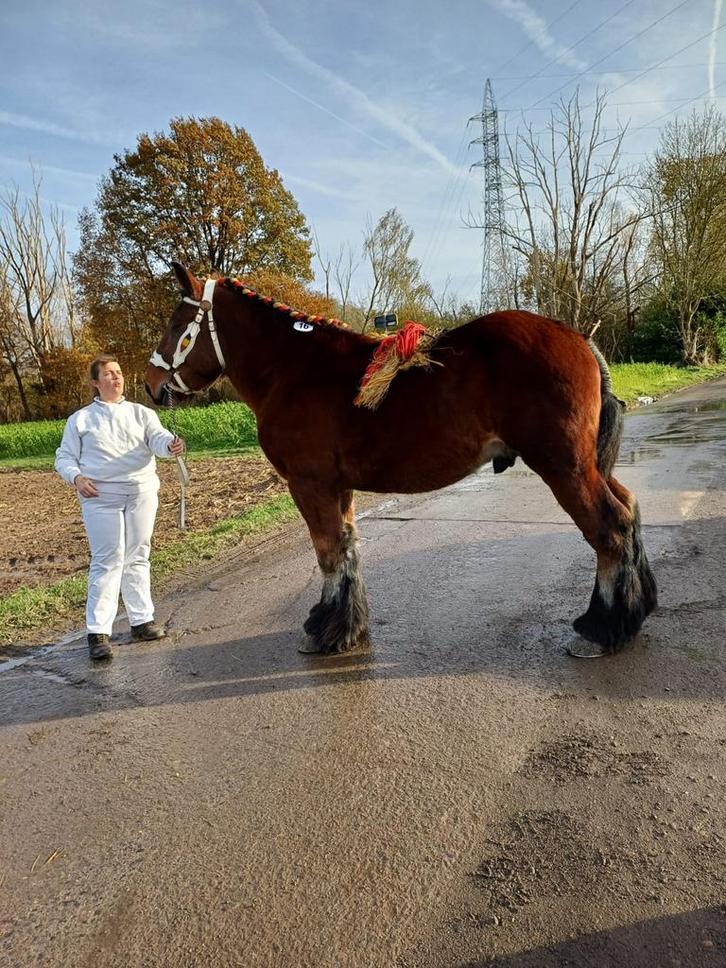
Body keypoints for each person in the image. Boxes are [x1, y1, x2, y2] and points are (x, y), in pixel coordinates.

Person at [55, 354, 185, 661]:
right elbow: (64, 457)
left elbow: (158, 438)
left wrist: (170, 445)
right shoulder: (81, 419)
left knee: (138, 554)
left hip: (141, 491)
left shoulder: (142, 414)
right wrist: (76, 478)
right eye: (109, 374)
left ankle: (141, 620)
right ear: (95, 383)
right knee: (108, 559)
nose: (116, 378)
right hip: (100, 496)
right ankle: (98, 632)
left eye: (119, 373)